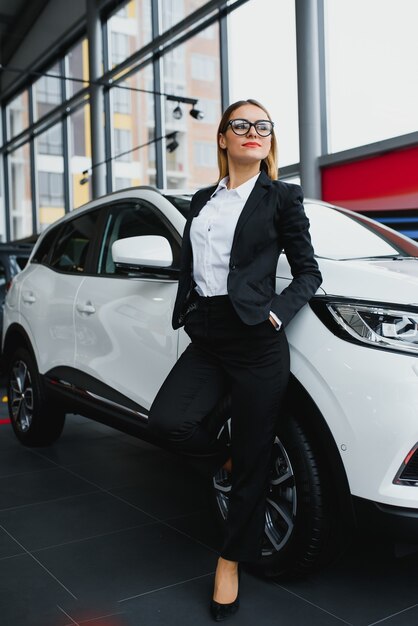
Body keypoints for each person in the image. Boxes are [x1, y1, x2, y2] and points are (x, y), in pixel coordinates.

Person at [148, 99, 322, 621]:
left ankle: (229, 560)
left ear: (269, 142)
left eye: (262, 126)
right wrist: (190, 310)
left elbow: (309, 273)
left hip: (256, 341)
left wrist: (275, 316)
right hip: (207, 334)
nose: (253, 132)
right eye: (241, 125)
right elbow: (194, 268)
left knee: (255, 461)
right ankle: (224, 460)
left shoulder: (282, 198)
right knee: (168, 423)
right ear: (223, 138)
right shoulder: (203, 200)